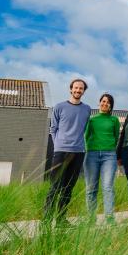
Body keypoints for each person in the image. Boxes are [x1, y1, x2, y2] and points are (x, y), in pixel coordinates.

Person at [44, 79, 93, 222]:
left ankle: (60, 219)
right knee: (55, 186)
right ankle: (47, 219)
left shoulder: (87, 109)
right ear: (71, 89)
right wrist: (58, 145)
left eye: (81, 88)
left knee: (68, 187)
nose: (78, 90)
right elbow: (53, 129)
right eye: (76, 88)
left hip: (78, 152)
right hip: (61, 152)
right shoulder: (59, 107)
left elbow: (83, 128)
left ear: (84, 91)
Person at [83, 93, 120, 221]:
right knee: (91, 188)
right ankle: (90, 218)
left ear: (111, 106)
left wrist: (108, 147)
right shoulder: (92, 119)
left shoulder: (114, 120)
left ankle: (109, 217)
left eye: (108, 102)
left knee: (108, 187)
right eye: (103, 101)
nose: (105, 104)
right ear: (99, 103)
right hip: (91, 155)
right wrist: (90, 149)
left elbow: (116, 137)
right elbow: (86, 136)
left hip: (109, 155)